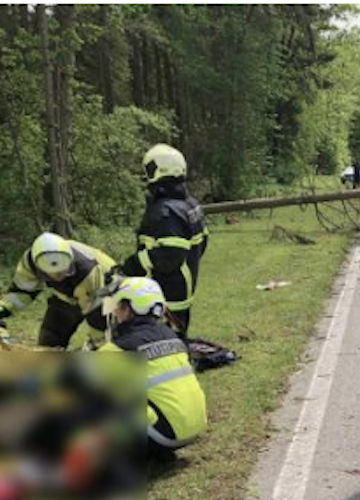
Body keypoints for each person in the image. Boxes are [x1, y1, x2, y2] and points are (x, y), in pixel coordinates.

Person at [100, 277, 207, 458]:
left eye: (118, 306)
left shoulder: (116, 349)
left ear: (129, 308)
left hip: (160, 436)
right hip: (192, 428)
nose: (115, 312)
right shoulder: (172, 336)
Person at [122, 143, 208, 338]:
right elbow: (203, 241)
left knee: (165, 340)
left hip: (168, 289)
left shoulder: (166, 212)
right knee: (176, 334)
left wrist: (134, 264)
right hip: (183, 285)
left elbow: (170, 255)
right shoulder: (189, 204)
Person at [0, 232, 117, 349]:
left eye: (63, 272)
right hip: (68, 296)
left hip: (110, 294)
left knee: (107, 344)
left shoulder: (86, 270)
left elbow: (96, 314)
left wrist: (98, 345)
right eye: (52, 274)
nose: (59, 277)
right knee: (50, 338)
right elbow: (21, 292)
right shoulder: (30, 261)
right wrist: (2, 311)